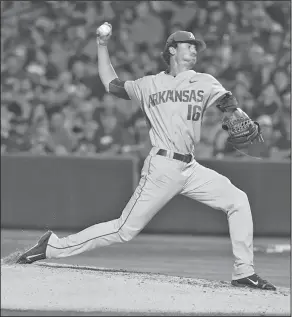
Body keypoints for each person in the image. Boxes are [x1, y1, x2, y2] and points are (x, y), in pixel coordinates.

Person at [17, 23, 276, 291]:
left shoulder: (204, 81)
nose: (195, 50)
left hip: (191, 168)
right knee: (123, 230)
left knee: (238, 201)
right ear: (172, 49)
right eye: (189, 45)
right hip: (162, 167)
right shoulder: (149, 84)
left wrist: (235, 113)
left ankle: (244, 271)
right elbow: (112, 85)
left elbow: (227, 103)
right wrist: (102, 46)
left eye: (196, 47)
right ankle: (53, 246)